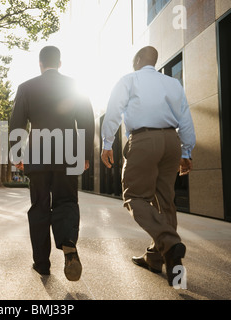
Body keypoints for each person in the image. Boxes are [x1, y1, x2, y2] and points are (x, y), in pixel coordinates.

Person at [100, 46, 196, 286]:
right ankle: (158, 260)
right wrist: (186, 151)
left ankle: (169, 242)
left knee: (134, 196)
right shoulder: (172, 84)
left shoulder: (129, 80)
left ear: (140, 59)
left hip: (144, 140)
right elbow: (185, 116)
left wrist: (107, 143)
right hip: (171, 141)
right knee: (166, 200)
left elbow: (113, 111)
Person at [9, 46, 95, 281]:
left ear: (40, 64)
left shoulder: (26, 87)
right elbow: (87, 121)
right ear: (59, 63)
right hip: (67, 153)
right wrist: (85, 154)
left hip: (37, 154)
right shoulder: (74, 86)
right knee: (66, 200)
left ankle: (41, 264)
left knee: (39, 206)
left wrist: (16, 154)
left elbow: (16, 122)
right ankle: (68, 242)